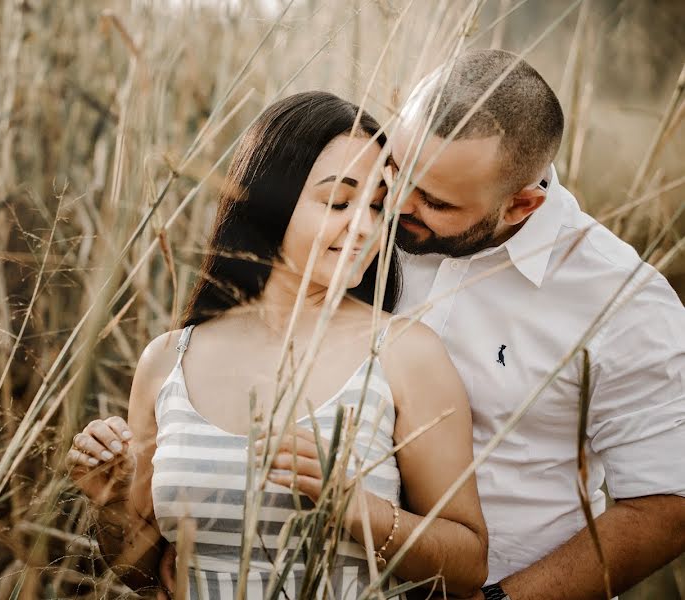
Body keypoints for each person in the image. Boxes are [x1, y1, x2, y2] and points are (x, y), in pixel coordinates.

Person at [66, 91, 489, 599]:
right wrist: (111, 503)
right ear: (270, 200)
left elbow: (468, 566)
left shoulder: (404, 353)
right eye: (338, 201)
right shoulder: (168, 359)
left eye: (378, 205)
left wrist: (352, 505)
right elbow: (137, 573)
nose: (365, 227)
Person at [385, 50, 685, 599]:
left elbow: (665, 504)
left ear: (521, 205)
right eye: (399, 169)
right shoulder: (355, 229)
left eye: (435, 201)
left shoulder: (623, 301)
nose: (398, 203)